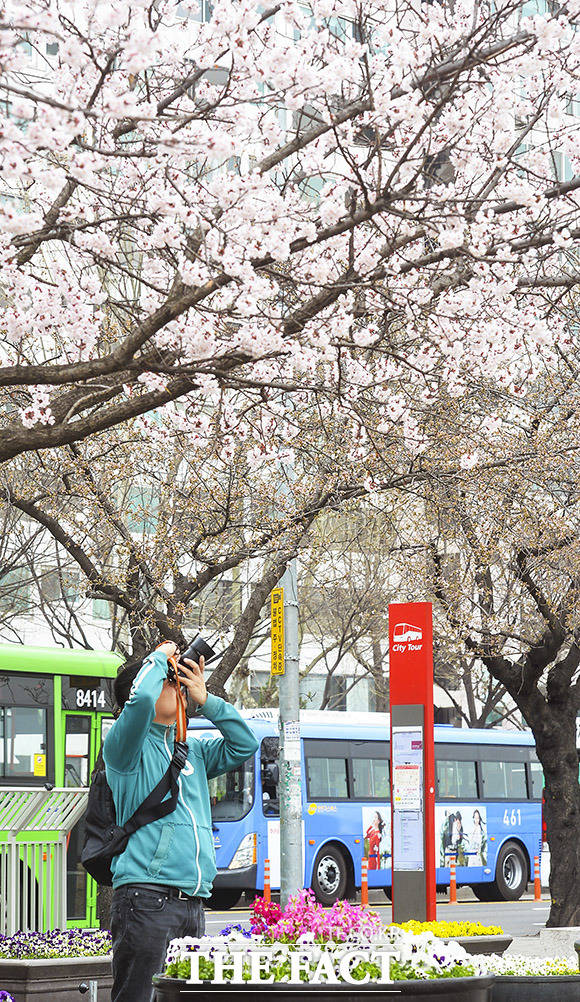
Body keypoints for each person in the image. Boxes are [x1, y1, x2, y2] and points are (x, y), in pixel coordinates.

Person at [104, 641, 259, 1002]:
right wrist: (161, 656)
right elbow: (141, 702)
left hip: (192, 902)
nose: (179, 686)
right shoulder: (124, 748)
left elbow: (244, 744)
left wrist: (207, 700)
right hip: (146, 898)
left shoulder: (191, 750)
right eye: (170, 681)